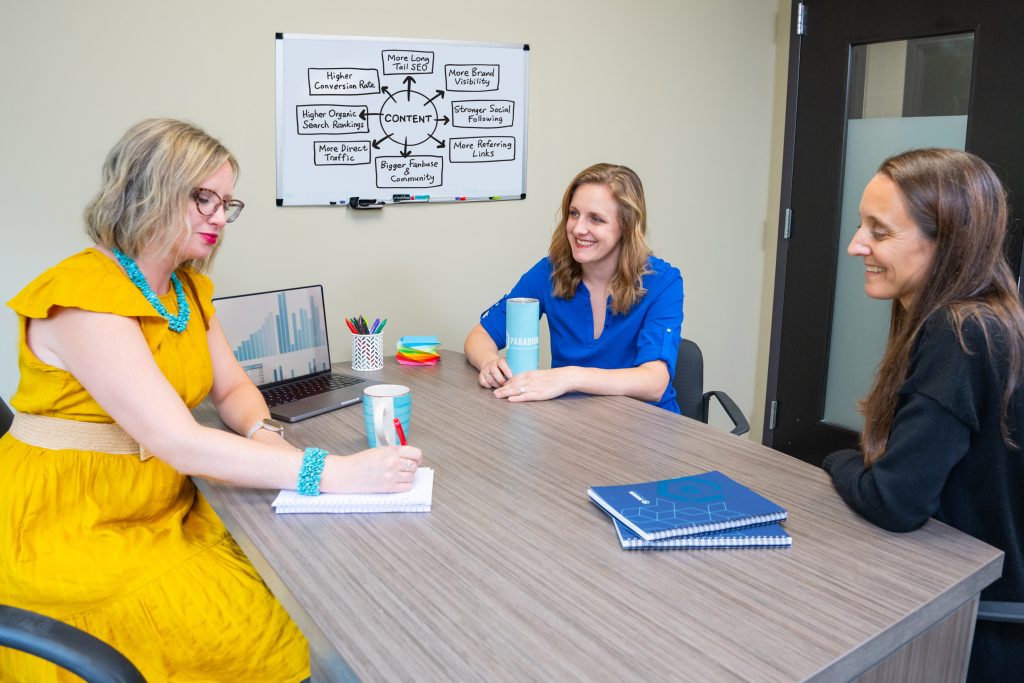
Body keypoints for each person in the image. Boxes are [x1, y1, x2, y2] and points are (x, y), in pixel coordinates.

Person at [0, 118, 422, 681]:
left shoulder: (185, 289)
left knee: (293, 578)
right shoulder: (85, 297)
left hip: (157, 499)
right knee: (252, 623)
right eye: (203, 199)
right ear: (148, 189)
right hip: (74, 518)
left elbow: (232, 388)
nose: (220, 218)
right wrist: (334, 471)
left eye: (227, 203)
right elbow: (178, 441)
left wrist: (262, 434)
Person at [823, 148, 1023, 681]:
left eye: (879, 232)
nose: (855, 245)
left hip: (978, 626)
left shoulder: (959, 333)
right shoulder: (989, 317)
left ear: (947, 242)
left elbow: (895, 500)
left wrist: (836, 460)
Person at [464, 163, 684, 412]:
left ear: (626, 226)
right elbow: (480, 336)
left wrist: (568, 378)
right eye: (574, 213)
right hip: (574, 425)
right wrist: (490, 362)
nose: (578, 229)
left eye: (597, 219)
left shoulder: (663, 282)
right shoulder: (550, 271)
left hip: (647, 428)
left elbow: (654, 382)